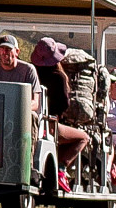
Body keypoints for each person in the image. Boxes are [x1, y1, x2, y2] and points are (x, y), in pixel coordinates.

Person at [28, 37, 88, 184]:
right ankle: (62, 167)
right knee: (84, 137)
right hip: (50, 125)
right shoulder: (59, 77)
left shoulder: (30, 73)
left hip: (29, 120)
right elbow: (64, 104)